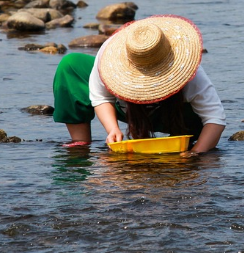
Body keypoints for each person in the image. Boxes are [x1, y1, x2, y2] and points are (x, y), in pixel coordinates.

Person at [52, 14, 226, 156]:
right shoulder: (108, 59)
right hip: (126, 107)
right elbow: (101, 96)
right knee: (71, 64)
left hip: (175, 115)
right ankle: (81, 145)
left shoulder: (188, 70)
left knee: (198, 131)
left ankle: (184, 145)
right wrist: (112, 129)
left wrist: (195, 153)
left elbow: (214, 119)